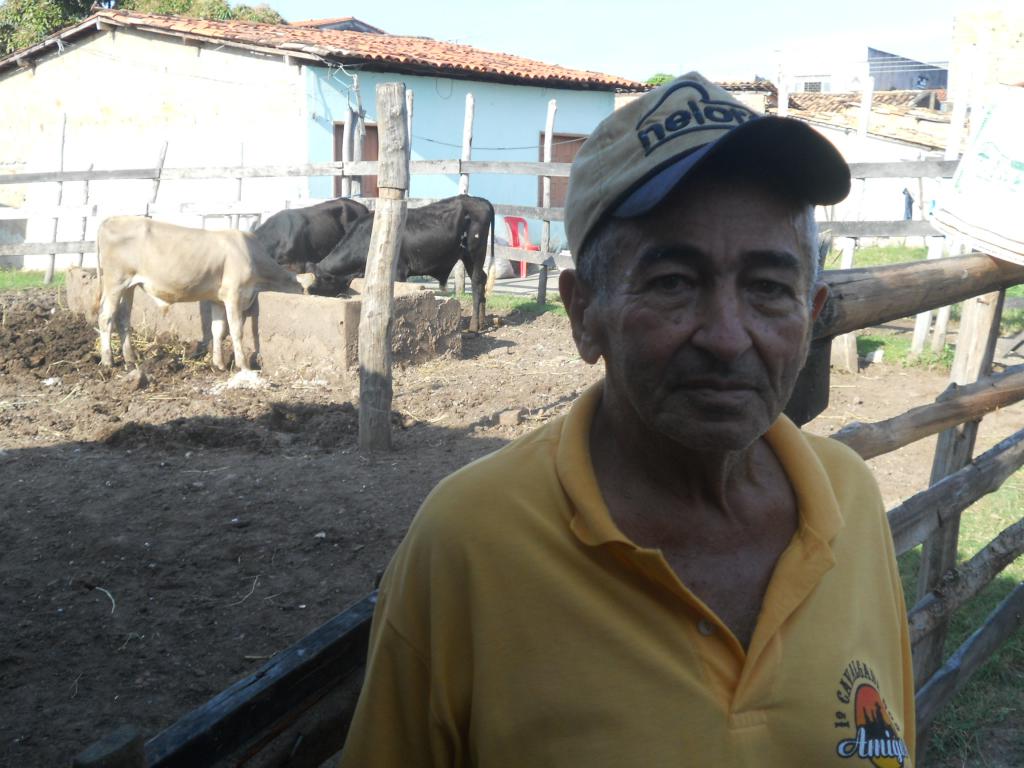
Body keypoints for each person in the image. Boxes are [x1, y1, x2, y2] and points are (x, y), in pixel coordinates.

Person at [339, 72, 915, 767]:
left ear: (812, 311)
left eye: (768, 288)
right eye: (673, 282)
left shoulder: (850, 501)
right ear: (584, 315)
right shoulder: (470, 543)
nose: (727, 337)